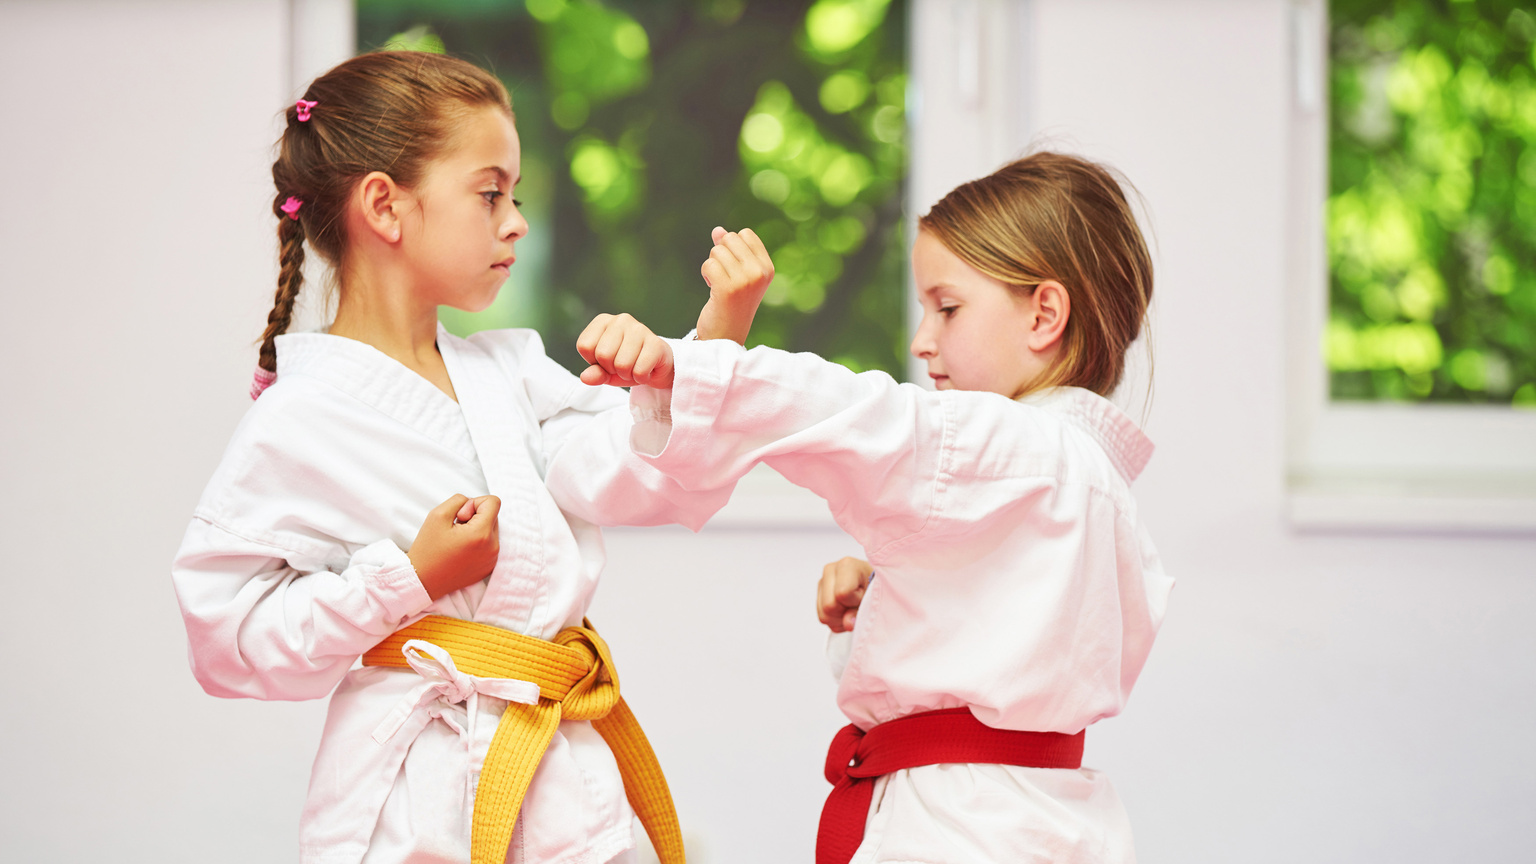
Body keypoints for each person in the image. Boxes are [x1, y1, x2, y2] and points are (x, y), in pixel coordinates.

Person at [171, 51, 772, 864]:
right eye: (491, 193)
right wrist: (408, 577)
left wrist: (694, 356)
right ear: (384, 205)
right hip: (415, 798)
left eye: (514, 197)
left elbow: (628, 473)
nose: (517, 220)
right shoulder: (299, 418)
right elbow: (228, 640)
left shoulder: (511, 373)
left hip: (560, 766)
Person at [571, 152, 1174, 863]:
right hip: (1046, 820)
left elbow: (861, 416)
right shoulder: (1093, 490)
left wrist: (698, 368)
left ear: (1045, 313)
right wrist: (893, 594)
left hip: (958, 829)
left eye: (947, 308)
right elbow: (994, 642)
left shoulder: (1013, 447)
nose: (923, 341)